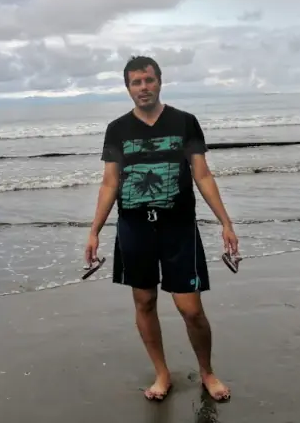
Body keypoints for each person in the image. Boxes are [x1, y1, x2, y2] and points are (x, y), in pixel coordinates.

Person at [84, 55, 240, 402]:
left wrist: (226, 223)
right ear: (128, 88)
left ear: (159, 81)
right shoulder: (118, 129)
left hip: (178, 228)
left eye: (149, 80)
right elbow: (110, 183)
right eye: (136, 82)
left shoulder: (185, 122)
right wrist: (94, 230)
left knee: (191, 309)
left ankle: (207, 372)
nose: (144, 87)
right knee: (144, 302)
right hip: (135, 228)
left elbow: (202, 174)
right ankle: (162, 373)